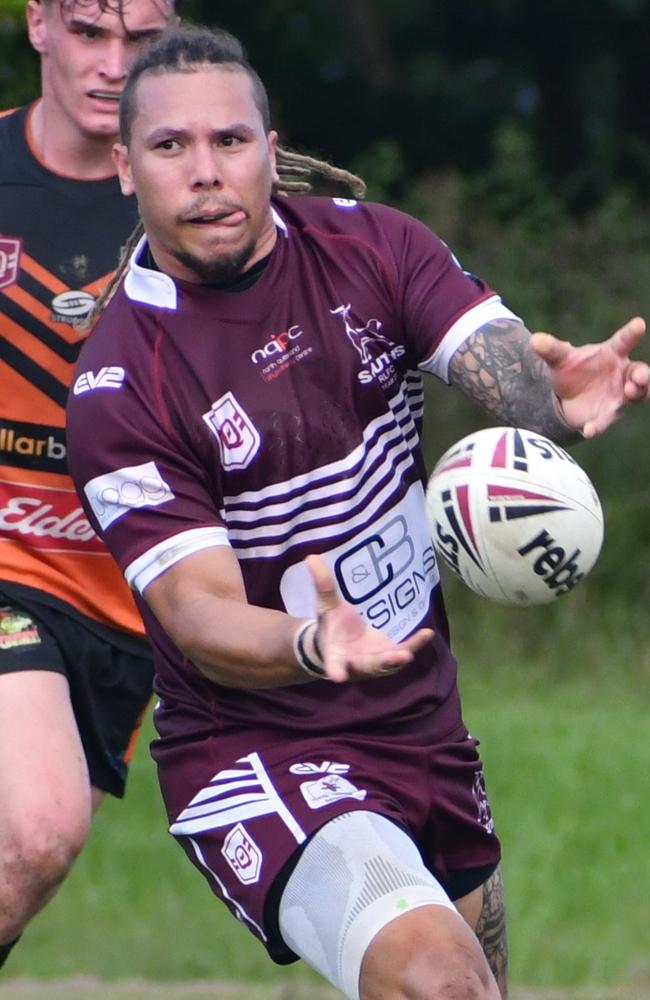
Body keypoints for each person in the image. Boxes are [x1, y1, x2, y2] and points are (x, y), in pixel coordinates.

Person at [65, 24, 649, 1000]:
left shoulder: (368, 247)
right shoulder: (124, 383)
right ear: (125, 166)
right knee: (442, 985)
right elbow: (199, 614)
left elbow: (485, 348)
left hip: (419, 719)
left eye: (229, 140)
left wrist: (549, 404)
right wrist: (308, 639)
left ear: (268, 141)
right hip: (254, 750)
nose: (206, 172)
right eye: (171, 147)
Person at [0, 0, 180, 971]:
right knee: (38, 825)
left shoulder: (204, 204)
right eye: (88, 33)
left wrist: (492, 361)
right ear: (37, 24)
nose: (114, 65)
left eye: (141, 40)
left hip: (125, 609)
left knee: (19, 865)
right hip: (5, 574)